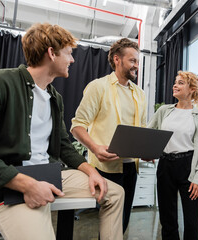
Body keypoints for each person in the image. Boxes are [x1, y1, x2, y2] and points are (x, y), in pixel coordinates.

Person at [0, 23, 124, 240]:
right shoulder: (0, 82)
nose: (72, 60)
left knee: (115, 193)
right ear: (52, 53)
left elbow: (64, 145)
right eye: (69, 53)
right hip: (9, 184)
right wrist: (26, 184)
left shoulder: (55, 97)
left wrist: (92, 173)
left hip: (48, 174)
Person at [71, 38, 146, 233]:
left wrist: (145, 150)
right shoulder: (98, 87)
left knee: (122, 223)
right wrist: (95, 148)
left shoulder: (140, 93)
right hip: (105, 166)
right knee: (108, 223)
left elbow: (142, 129)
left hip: (131, 167)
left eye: (138, 61)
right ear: (117, 59)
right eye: (132, 61)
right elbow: (77, 126)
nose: (136, 65)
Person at [148, 71, 198, 240]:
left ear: (192, 89)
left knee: (191, 220)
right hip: (165, 165)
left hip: (188, 166)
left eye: (181, 83)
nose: (175, 85)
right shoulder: (164, 111)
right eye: (175, 82)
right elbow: (148, 132)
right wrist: (146, 151)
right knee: (167, 217)